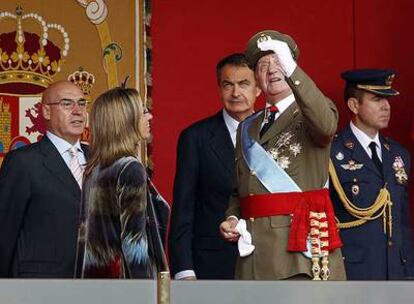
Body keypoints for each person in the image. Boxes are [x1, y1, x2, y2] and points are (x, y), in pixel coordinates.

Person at [219, 30, 346, 280]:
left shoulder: (312, 114)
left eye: (279, 61)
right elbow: (240, 190)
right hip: (254, 259)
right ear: (256, 78)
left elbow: (326, 126)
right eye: (263, 65)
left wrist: (291, 68)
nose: (272, 69)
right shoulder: (248, 126)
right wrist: (232, 218)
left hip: (298, 254)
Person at [169, 53, 261, 280]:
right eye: (227, 84)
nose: (235, 92)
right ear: (219, 88)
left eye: (244, 84)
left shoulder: (276, 134)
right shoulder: (196, 137)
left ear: (258, 88)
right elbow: (184, 207)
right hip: (213, 264)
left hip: (268, 263)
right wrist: (183, 270)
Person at [329, 69, 414, 280]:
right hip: (353, 273)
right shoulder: (332, 153)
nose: (386, 106)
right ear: (354, 105)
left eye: (387, 99)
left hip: (395, 272)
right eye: (377, 99)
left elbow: (402, 222)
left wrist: (409, 272)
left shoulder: (398, 154)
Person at [0, 80, 88, 278]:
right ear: (46, 112)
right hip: (40, 286)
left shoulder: (99, 159)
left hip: (97, 285)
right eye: (67, 104)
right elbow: (5, 232)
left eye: (81, 103)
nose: (77, 111)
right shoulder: (24, 162)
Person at [74, 87, 163, 278]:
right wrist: (146, 291)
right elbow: (133, 242)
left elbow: (85, 239)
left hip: (97, 285)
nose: (150, 116)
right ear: (126, 120)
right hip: (125, 288)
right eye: (143, 111)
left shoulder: (94, 168)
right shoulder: (130, 169)